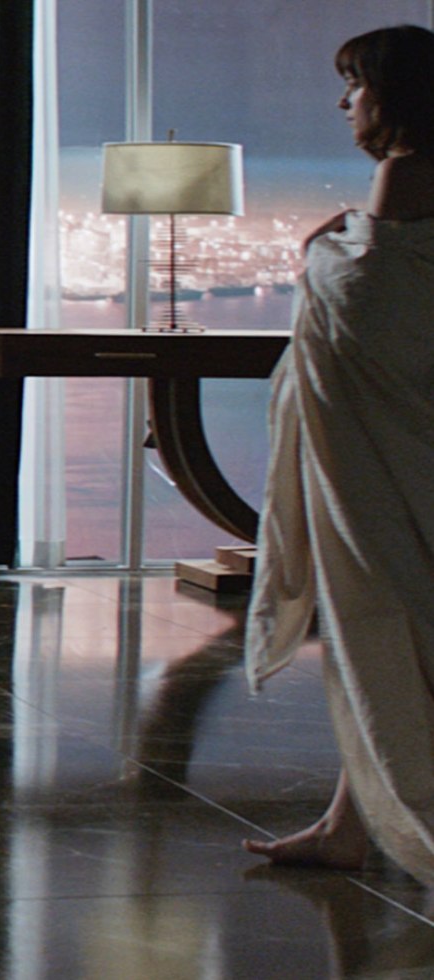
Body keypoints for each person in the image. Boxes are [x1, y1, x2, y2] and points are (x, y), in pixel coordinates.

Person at [241, 25, 434, 880]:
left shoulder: (406, 171)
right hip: (409, 438)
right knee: (389, 629)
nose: (343, 102)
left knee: (384, 622)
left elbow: (372, 301)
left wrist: (323, 246)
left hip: (388, 460)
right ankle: (346, 823)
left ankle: (370, 823)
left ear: (391, 95)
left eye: (354, 85)